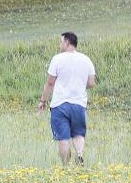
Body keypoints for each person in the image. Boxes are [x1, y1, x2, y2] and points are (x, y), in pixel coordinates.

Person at [38, 31, 97, 166]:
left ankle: (66, 166)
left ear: (67, 42)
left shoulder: (58, 59)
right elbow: (92, 83)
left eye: (61, 42)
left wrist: (43, 101)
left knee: (63, 137)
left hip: (60, 104)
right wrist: (80, 84)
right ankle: (80, 154)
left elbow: (50, 82)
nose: (60, 45)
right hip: (79, 104)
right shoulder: (86, 59)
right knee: (78, 134)